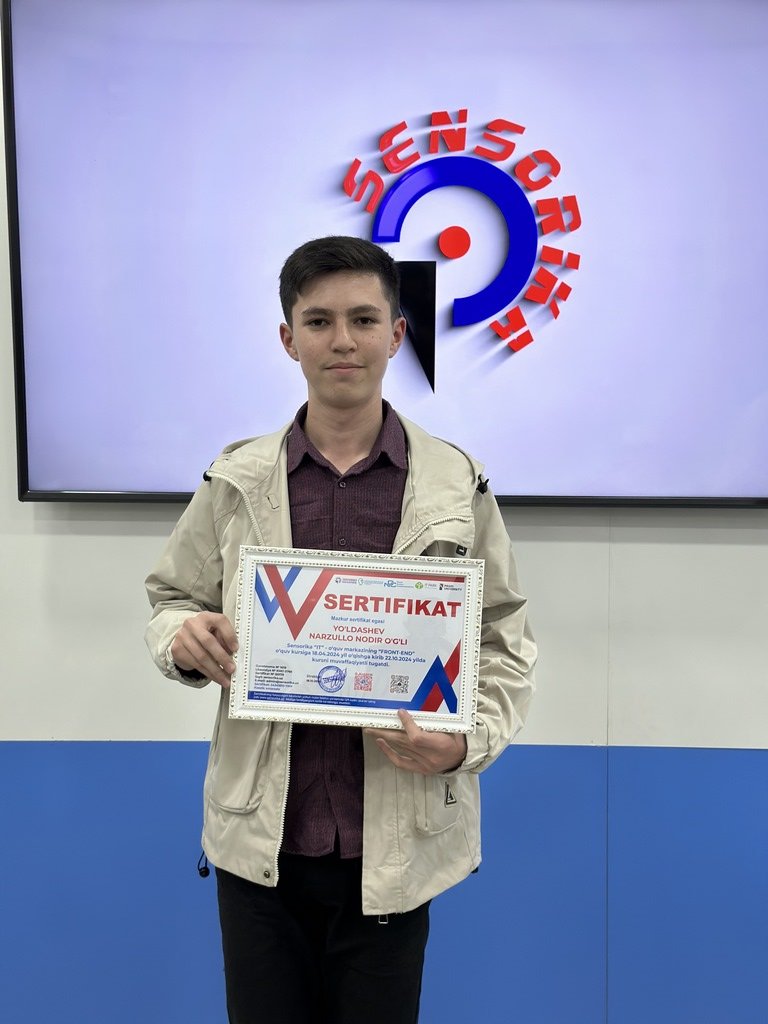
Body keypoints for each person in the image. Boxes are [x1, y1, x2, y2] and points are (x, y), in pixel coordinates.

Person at [145, 235, 536, 1024]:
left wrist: (464, 743)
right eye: (318, 321)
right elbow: (172, 598)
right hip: (260, 847)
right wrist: (181, 639)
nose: (343, 340)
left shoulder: (455, 482)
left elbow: (502, 638)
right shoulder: (236, 479)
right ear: (288, 339)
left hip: (394, 851)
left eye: (364, 319)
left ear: (397, 333)